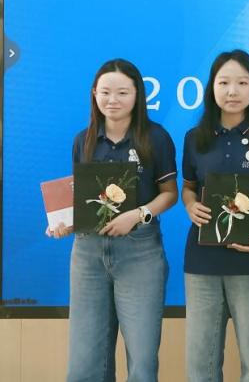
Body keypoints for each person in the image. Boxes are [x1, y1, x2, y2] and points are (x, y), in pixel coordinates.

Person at [49, 58, 178, 382]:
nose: (113, 100)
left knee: (142, 362)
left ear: (137, 95)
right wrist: (64, 223)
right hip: (88, 255)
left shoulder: (155, 138)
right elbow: (82, 200)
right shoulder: (83, 140)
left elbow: (169, 194)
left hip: (140, 253)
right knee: (85, 362)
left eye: (122, 92)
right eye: (105, 92)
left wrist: (138, 214)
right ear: (94, 94)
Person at [180, 50, 249, 382]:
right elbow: (188, 188)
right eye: (224, 82)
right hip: (202, 261)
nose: (232, 91)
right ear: (212, 87)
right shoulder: (195, 138)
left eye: (242, 83)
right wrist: (190, 205)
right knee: (201, 361)